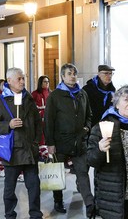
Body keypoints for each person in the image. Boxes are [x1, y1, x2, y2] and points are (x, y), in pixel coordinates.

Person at [0, 67, 43, 219]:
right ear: (9, 81)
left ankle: (35, 214)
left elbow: (38, 122)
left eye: (23, 78)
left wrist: (36, 141)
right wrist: (8, 125)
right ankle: (10, 214)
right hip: (12, 153)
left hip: (30, 150)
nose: (22, 81)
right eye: (19, 79)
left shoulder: (28, 99)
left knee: (34, 186)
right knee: (10, 188)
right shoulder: (1, 101)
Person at [44, 63, 94, 217]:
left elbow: (89, 116)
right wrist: (50, 144)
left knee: (83, 173)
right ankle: (58, 201)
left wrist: (86, 129)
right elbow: (49, 121)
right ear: (63, 76)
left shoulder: (82, 94)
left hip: (79, 142)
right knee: (57, 174)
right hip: (60, 143)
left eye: (74, 73)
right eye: (69, 73)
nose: (73, 76)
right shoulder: (55, 96)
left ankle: (90, 204)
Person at [87, 85, 128, 219]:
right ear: (117, 104)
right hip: (114, 195)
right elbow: (91, 160)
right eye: (126, 100)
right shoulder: (103, 127)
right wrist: (100, 150)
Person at [32, 75, 51, 161]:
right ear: (40, 83)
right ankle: (42, 153)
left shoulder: (51, 93)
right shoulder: (35, 94)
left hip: (49, 118)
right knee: (41, 136)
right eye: (45, 81)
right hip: (39, 119)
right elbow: (31, 106)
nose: (47, 83)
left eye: (48, 82)